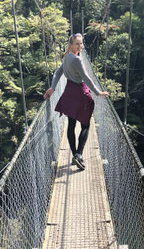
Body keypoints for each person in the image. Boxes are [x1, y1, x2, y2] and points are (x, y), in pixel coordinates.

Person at [43, 33, 109, 170]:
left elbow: (58, 72)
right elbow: (87, 78)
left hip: (69, 92)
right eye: (77, 43)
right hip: (80, 92)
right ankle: (78, 154)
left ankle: (75, 155)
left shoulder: (67, 57)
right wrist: (98, 93)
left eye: (81, 43)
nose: (81, 46)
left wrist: (53, 87)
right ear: (71, 45)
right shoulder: (77, 60)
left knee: (71, 125)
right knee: (85, 124)